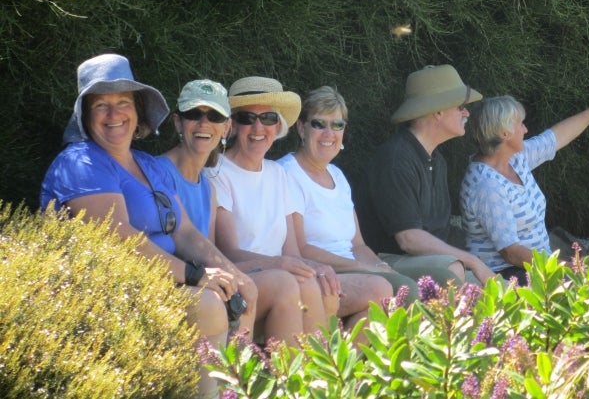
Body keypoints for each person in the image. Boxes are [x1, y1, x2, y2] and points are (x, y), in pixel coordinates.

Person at [39, 54, 245, 398]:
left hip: (159, 282)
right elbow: (118, 241)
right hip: (109, 288)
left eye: (122, 103)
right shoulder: (80, 162)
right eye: (100, 105)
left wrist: (234, 275)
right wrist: (196, 276)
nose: (114, 114)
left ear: (137, 111)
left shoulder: (150, 165)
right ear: (85, 116)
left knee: (236, 294)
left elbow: (185, 232)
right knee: (207, 303)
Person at [209, 76, 391, 332]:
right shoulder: (217, 172)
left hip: (284, 273)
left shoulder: (277, 173)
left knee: (367, 287)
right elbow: (228, 252)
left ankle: (336, 366)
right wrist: (281, 265)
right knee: (302, 284)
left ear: (279, 126)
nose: (258, 127)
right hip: (247, 275)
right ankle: (314, 367)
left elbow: (293, 252)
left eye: (269, 119)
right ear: (232, 126)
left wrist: (319, 269)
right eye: (247, 118)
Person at [158, 79, 306, 345]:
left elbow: (210, 251)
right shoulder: (157, 172)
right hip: (171, 283)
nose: (204, 123)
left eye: (214, 116)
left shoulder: (206, 185)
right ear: (178, 122)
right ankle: (244, 384)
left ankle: (296, 381)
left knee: (281, 285)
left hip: (204, 281)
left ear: (225, 126)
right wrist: (240, 276)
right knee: (264, 287)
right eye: (194, 114)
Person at [461, 95, 589, 284]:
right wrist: (568, 269)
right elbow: (511, 253)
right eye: (520, 123)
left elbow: (554, 138)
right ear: (504, 133)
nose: (525, 129)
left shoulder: (515, 158)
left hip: (536, 266)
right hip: (507, 274)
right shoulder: (486, 185)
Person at [279, 85, 419, 305]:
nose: (329, 133)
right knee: (407, 290)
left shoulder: (337, 175)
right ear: (301, 128)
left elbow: (358, 245)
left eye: (337, 125)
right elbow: (301, 248)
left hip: (352, 268)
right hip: (320, 273)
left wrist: (379, 267)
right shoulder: (287, 173)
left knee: (410, 284)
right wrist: (362, 268)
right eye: (319, 124)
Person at [357, 64, 494, 286]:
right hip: (386, 261)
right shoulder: (396, 160)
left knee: (503, 292)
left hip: (431, 261)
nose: (466, 112)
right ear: (438, 111)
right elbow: (409, 239)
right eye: (460, 106)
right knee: (453, 270)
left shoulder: (437, 161)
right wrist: (472, 260)